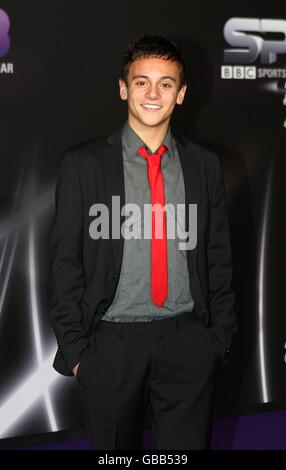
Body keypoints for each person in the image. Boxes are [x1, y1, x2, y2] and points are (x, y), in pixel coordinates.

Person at [49, 33, 237, 450]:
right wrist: (80, 353)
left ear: (182, 93)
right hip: (109, 348)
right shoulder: (83, 165)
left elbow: (218, 258)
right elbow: (64, 265)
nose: (153, 93)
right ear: (123, 88)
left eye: (166, 83)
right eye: (141, 82)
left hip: (188, 343)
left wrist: (215, 341)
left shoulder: (204, 166)